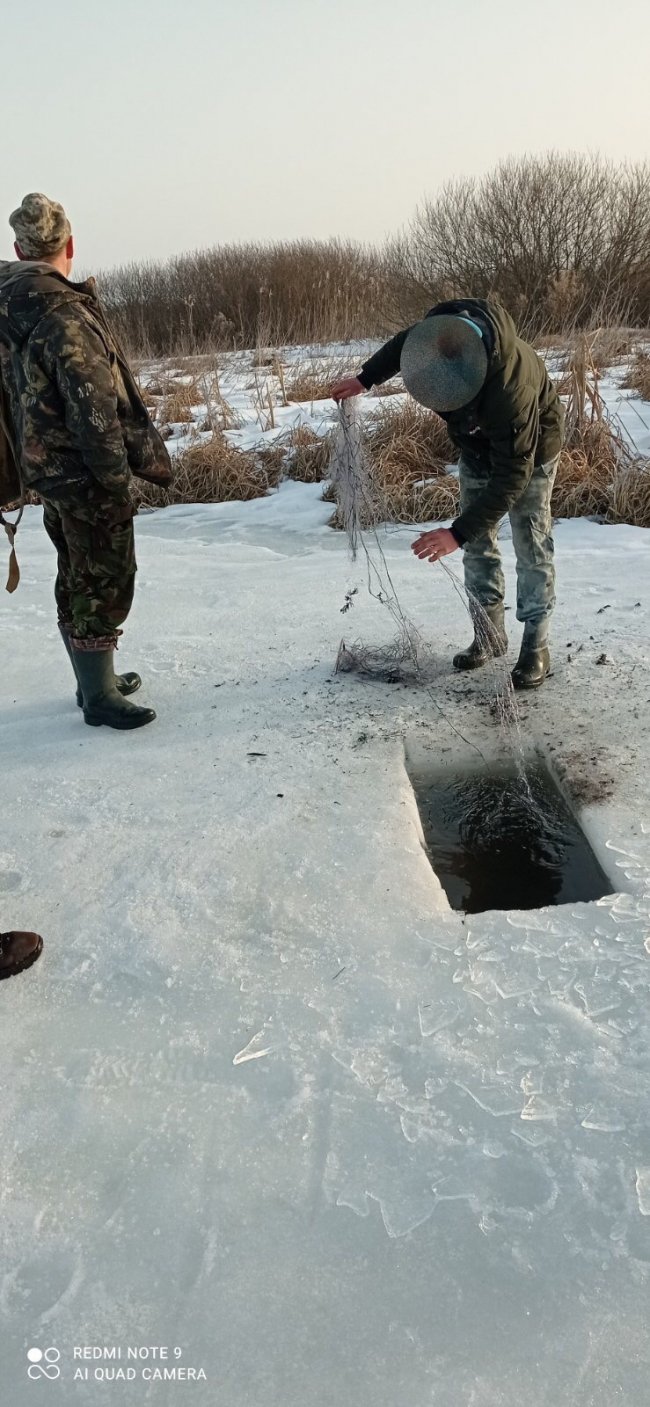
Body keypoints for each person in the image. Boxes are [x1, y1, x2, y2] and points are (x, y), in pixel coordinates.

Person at [0, 193, 172, 729]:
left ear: (18, 249)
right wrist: (116, 480)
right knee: (104, 579)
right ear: (70, 244)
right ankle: (98, 697)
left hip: (43, 469)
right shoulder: (64, 314)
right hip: (84, 473)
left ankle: (92, 681)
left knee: (75, 572)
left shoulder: (9, 306)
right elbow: (94, 409)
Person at [332, 298, 565, 689]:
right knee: (478, 545)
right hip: (476, 446)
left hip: (530, 451)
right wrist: (366, 378)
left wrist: (456, 533)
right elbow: (402, 347)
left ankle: (535, 646)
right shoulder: (439, 336)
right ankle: (489, 635)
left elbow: (513, 476)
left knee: (531, 545)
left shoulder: (511, 392)